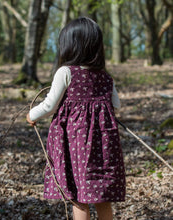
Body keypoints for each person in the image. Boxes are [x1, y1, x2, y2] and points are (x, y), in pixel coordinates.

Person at [26, 17, 125, 220]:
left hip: (75, 145)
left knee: (78, 196)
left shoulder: (66, 72)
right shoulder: (105, 77)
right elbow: (116, 106)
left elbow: (49, 105)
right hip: (103, 145)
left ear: (70, 45)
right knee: (101, 196)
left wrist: (31, 114)